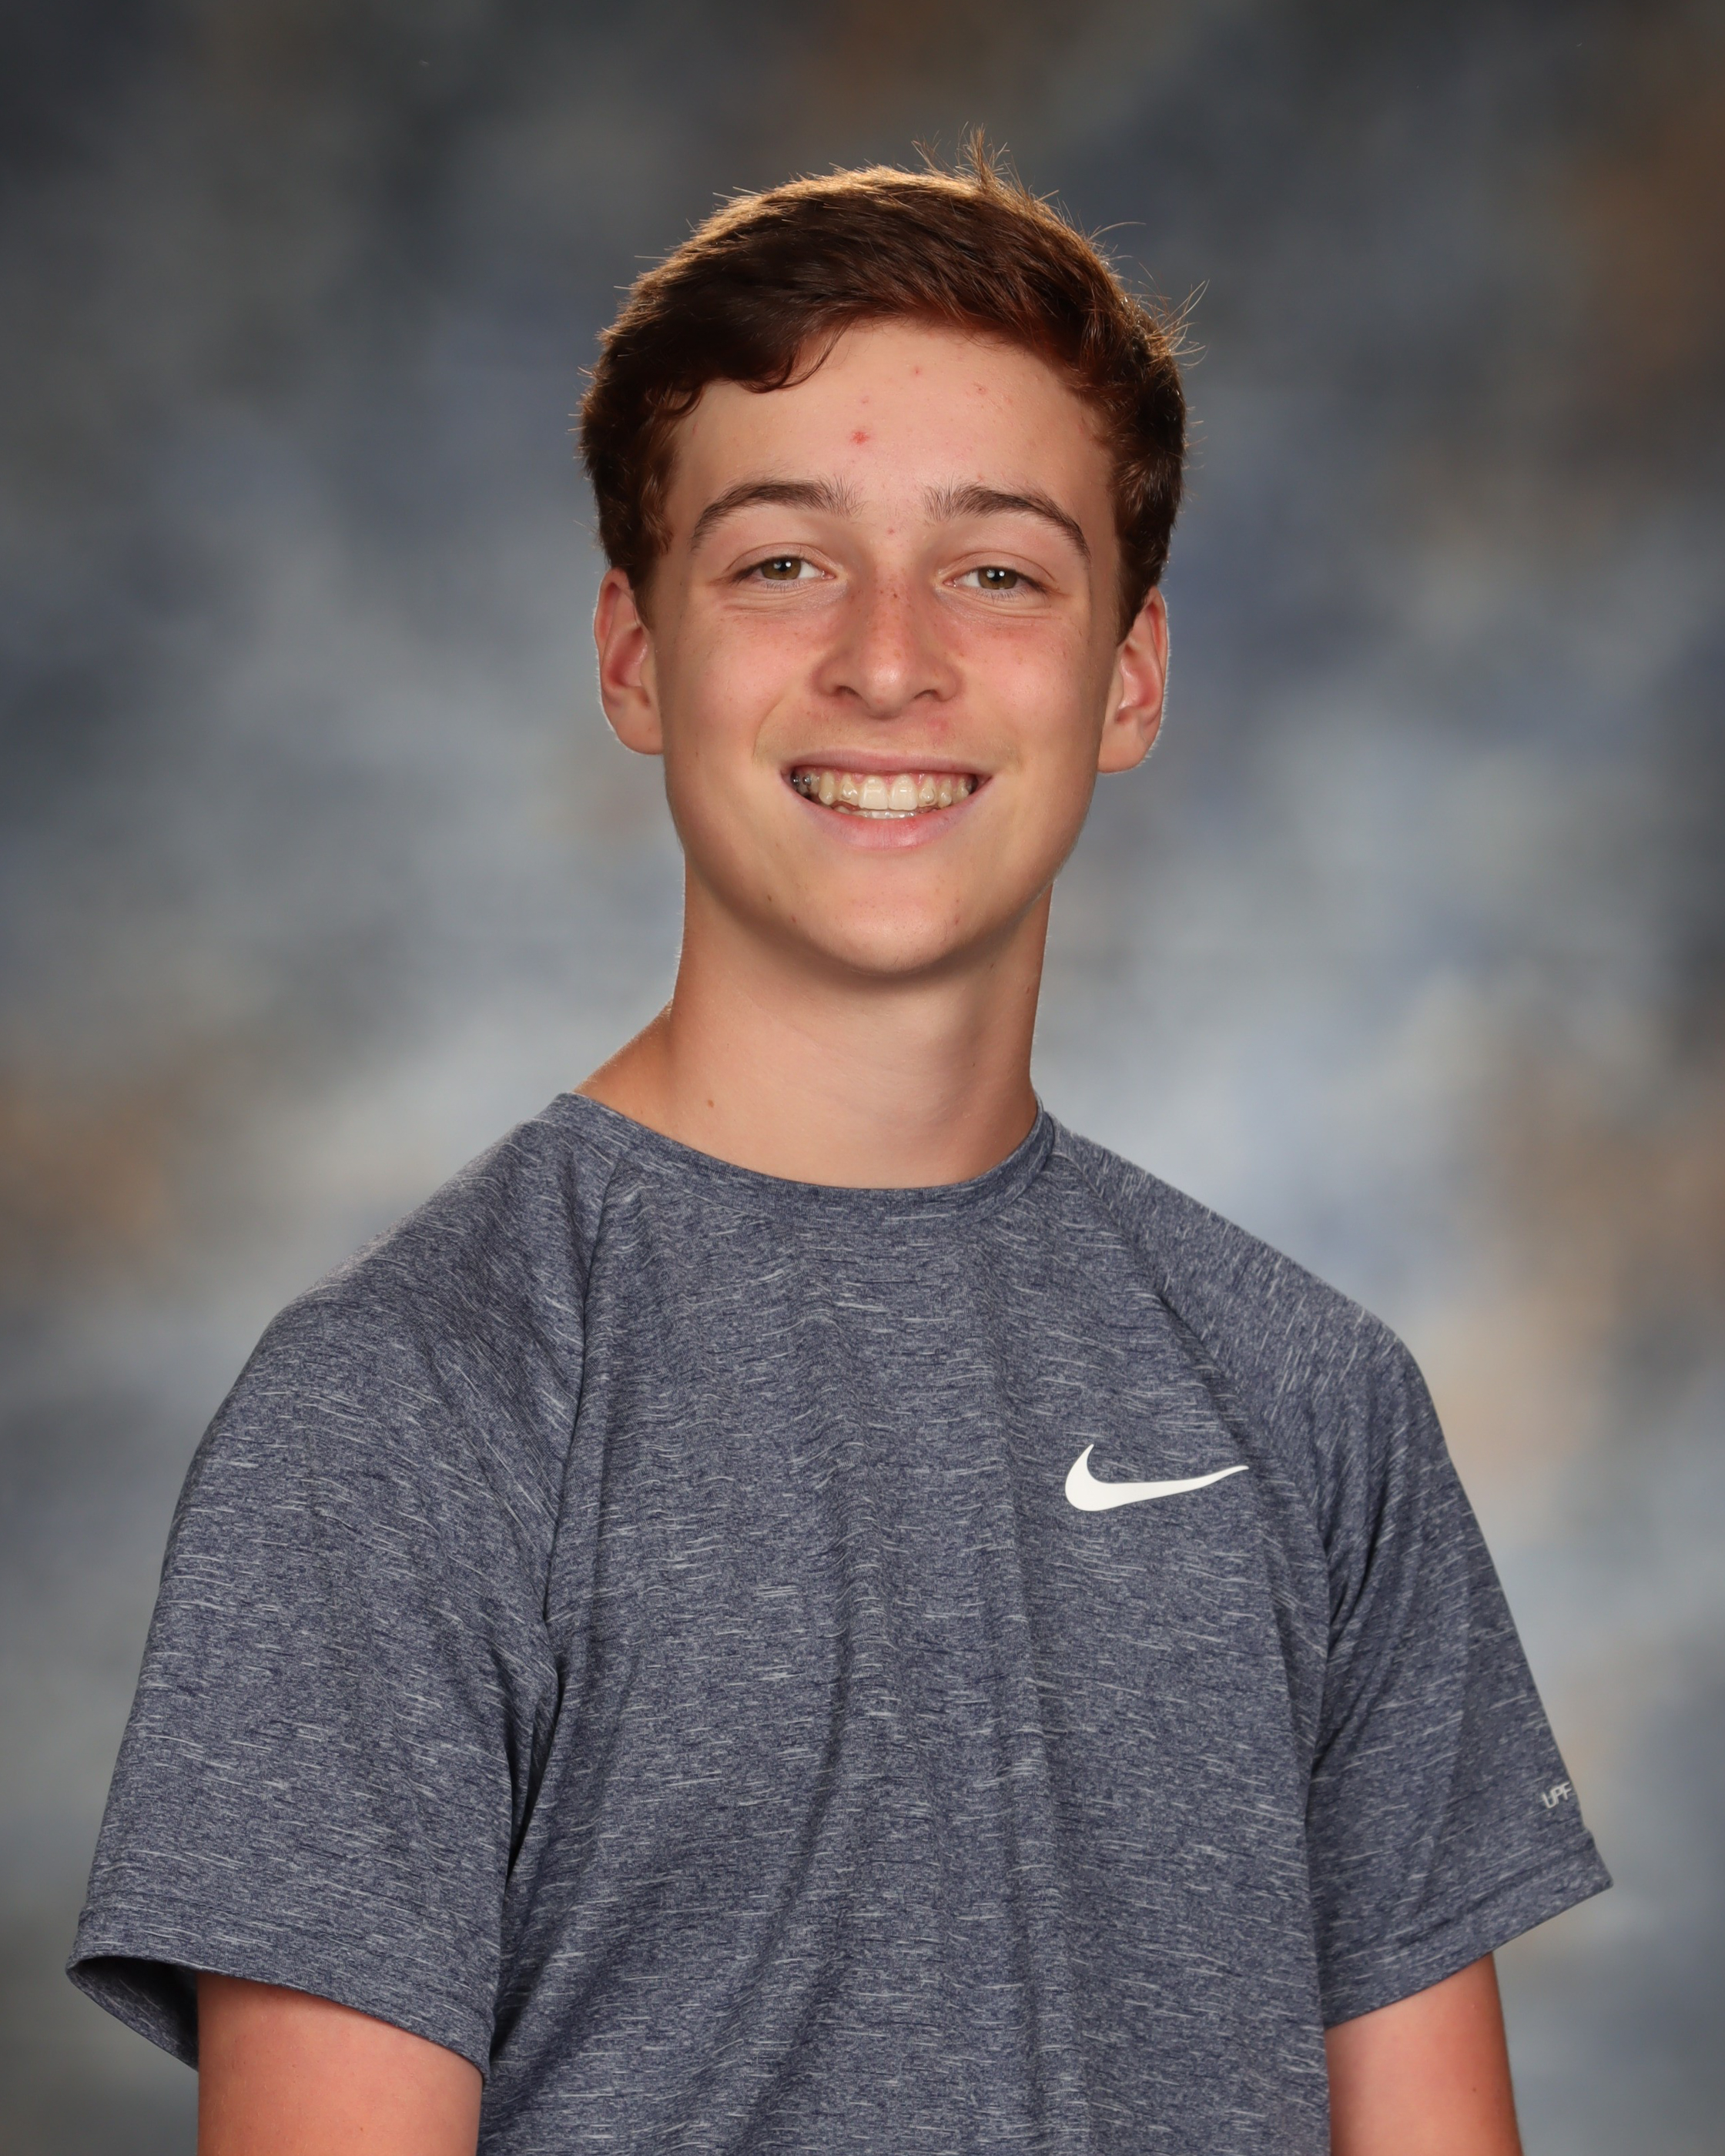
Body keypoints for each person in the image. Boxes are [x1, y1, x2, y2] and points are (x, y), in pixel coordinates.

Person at [70, 149, 1608, 2155]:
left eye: (999, 570)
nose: (891, 660)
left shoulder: (1316, 1403)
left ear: (1132, 675)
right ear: (636, 657)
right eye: (784, 563)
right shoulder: (400, 1413)